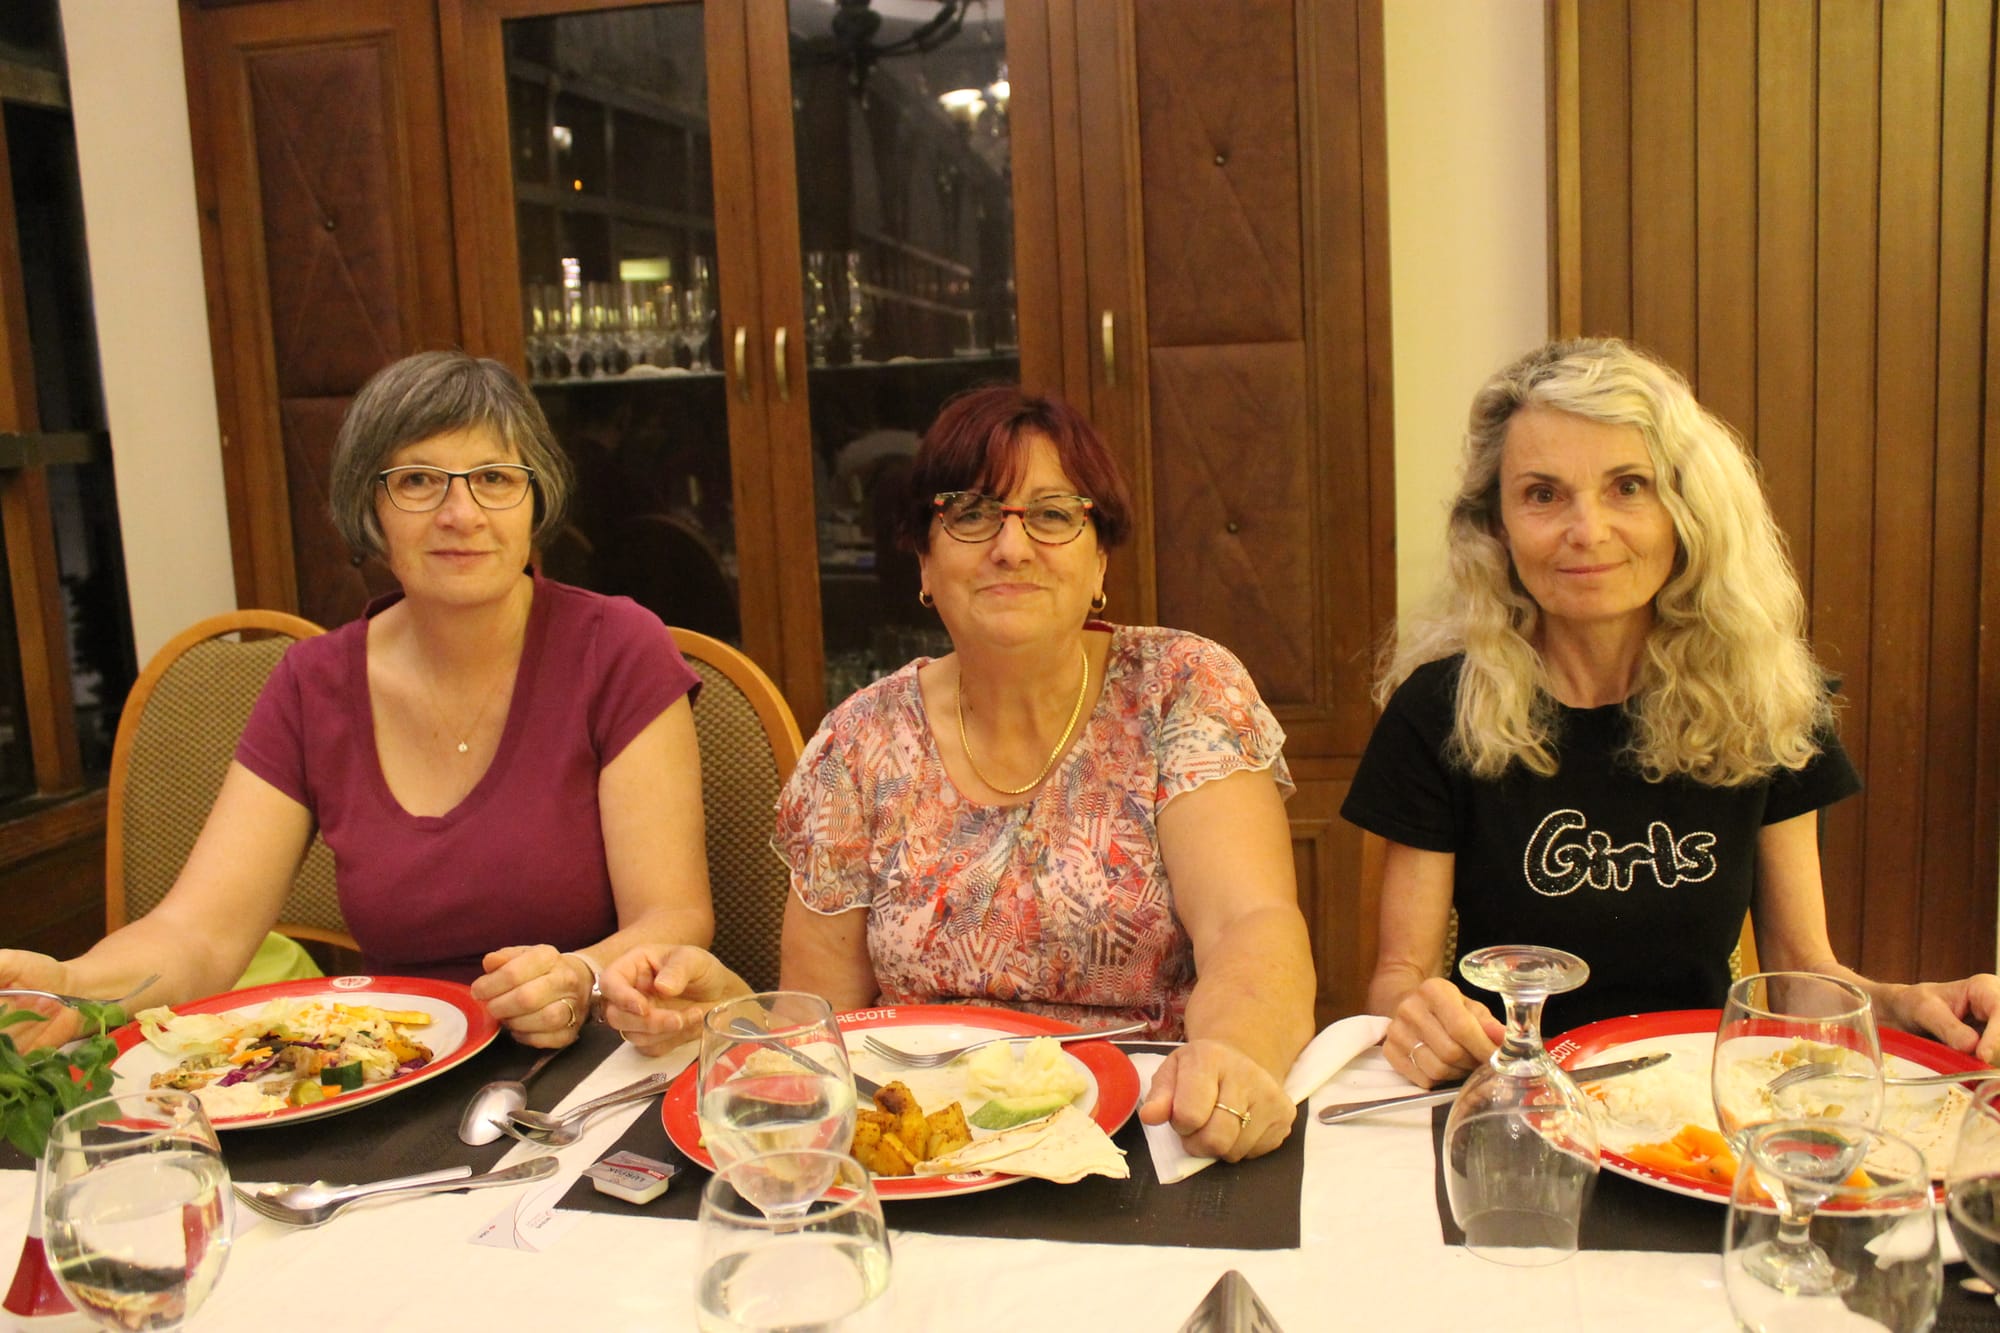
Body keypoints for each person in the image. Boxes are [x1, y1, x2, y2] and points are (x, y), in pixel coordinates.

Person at [0, 351, 714, 1051]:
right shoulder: (312, 684)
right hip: (398, 1071)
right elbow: (201, 933)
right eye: (418, 480)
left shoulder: (616, 648)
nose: (461, 513)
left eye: (495, 478)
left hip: (592, 1061)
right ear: (369, 508)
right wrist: (71, 987)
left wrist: (582, 977)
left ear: (537, 499)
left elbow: (674, 915)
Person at [1344, 336, 2000, 1087]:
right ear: (1496, 525)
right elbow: (1398, 976)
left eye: (1628, 487)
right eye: (1543, 494)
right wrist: (1419, 1018)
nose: (1588, 531)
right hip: (1511, 1101)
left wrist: (1906, 1007)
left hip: (1694, 1107)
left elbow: (1799, 977)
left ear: (1686, 509)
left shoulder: (1767, 701)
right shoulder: (1438, 712)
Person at [770, 385, 1315, 1162]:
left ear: (1100, 559)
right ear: (924, 557)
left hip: (1149, 1132)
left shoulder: (1181, 688)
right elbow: (816, 1019)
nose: (1012, 547)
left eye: (1053, 515)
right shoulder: (858, 742)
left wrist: (1232, 1054)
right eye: (970, 513)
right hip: (925, 1152)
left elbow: (1249, 924)